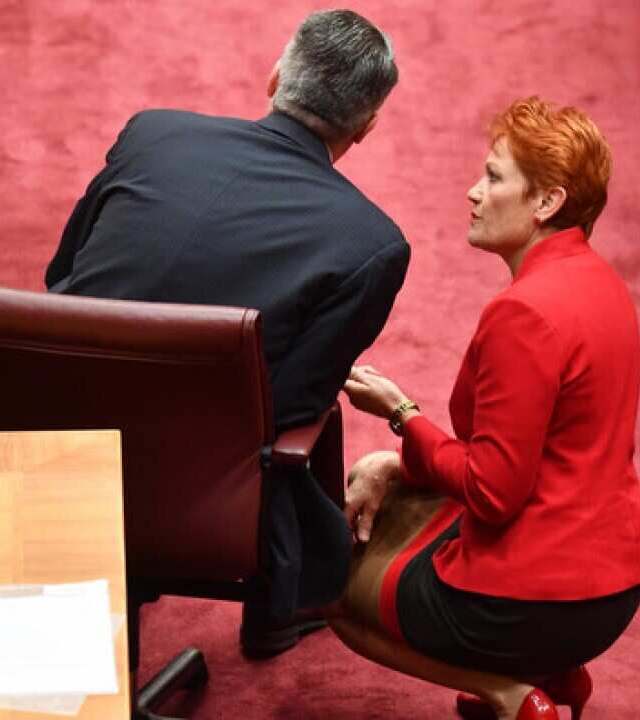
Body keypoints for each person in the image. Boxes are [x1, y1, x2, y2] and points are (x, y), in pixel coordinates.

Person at [44, 9, 407, 657]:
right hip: (194, 493)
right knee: (316, 412)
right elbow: (292, 406)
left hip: (43, 438)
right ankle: (279, 609)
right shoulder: (372, 244)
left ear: (276, 78)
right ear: (369, 126)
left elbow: (61, 274)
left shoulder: (154, 134)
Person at [332, 98, 640, 720]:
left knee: (328, 584)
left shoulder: (524, 314)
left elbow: (494, 491)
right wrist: (399, 462)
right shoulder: (603, 282)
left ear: (546, 203)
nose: (473, 191)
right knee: (407, 499)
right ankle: (559, 675)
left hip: (530, 600)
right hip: (616, 581)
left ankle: (510, 694)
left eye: (494, 177)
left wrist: (401, 412)